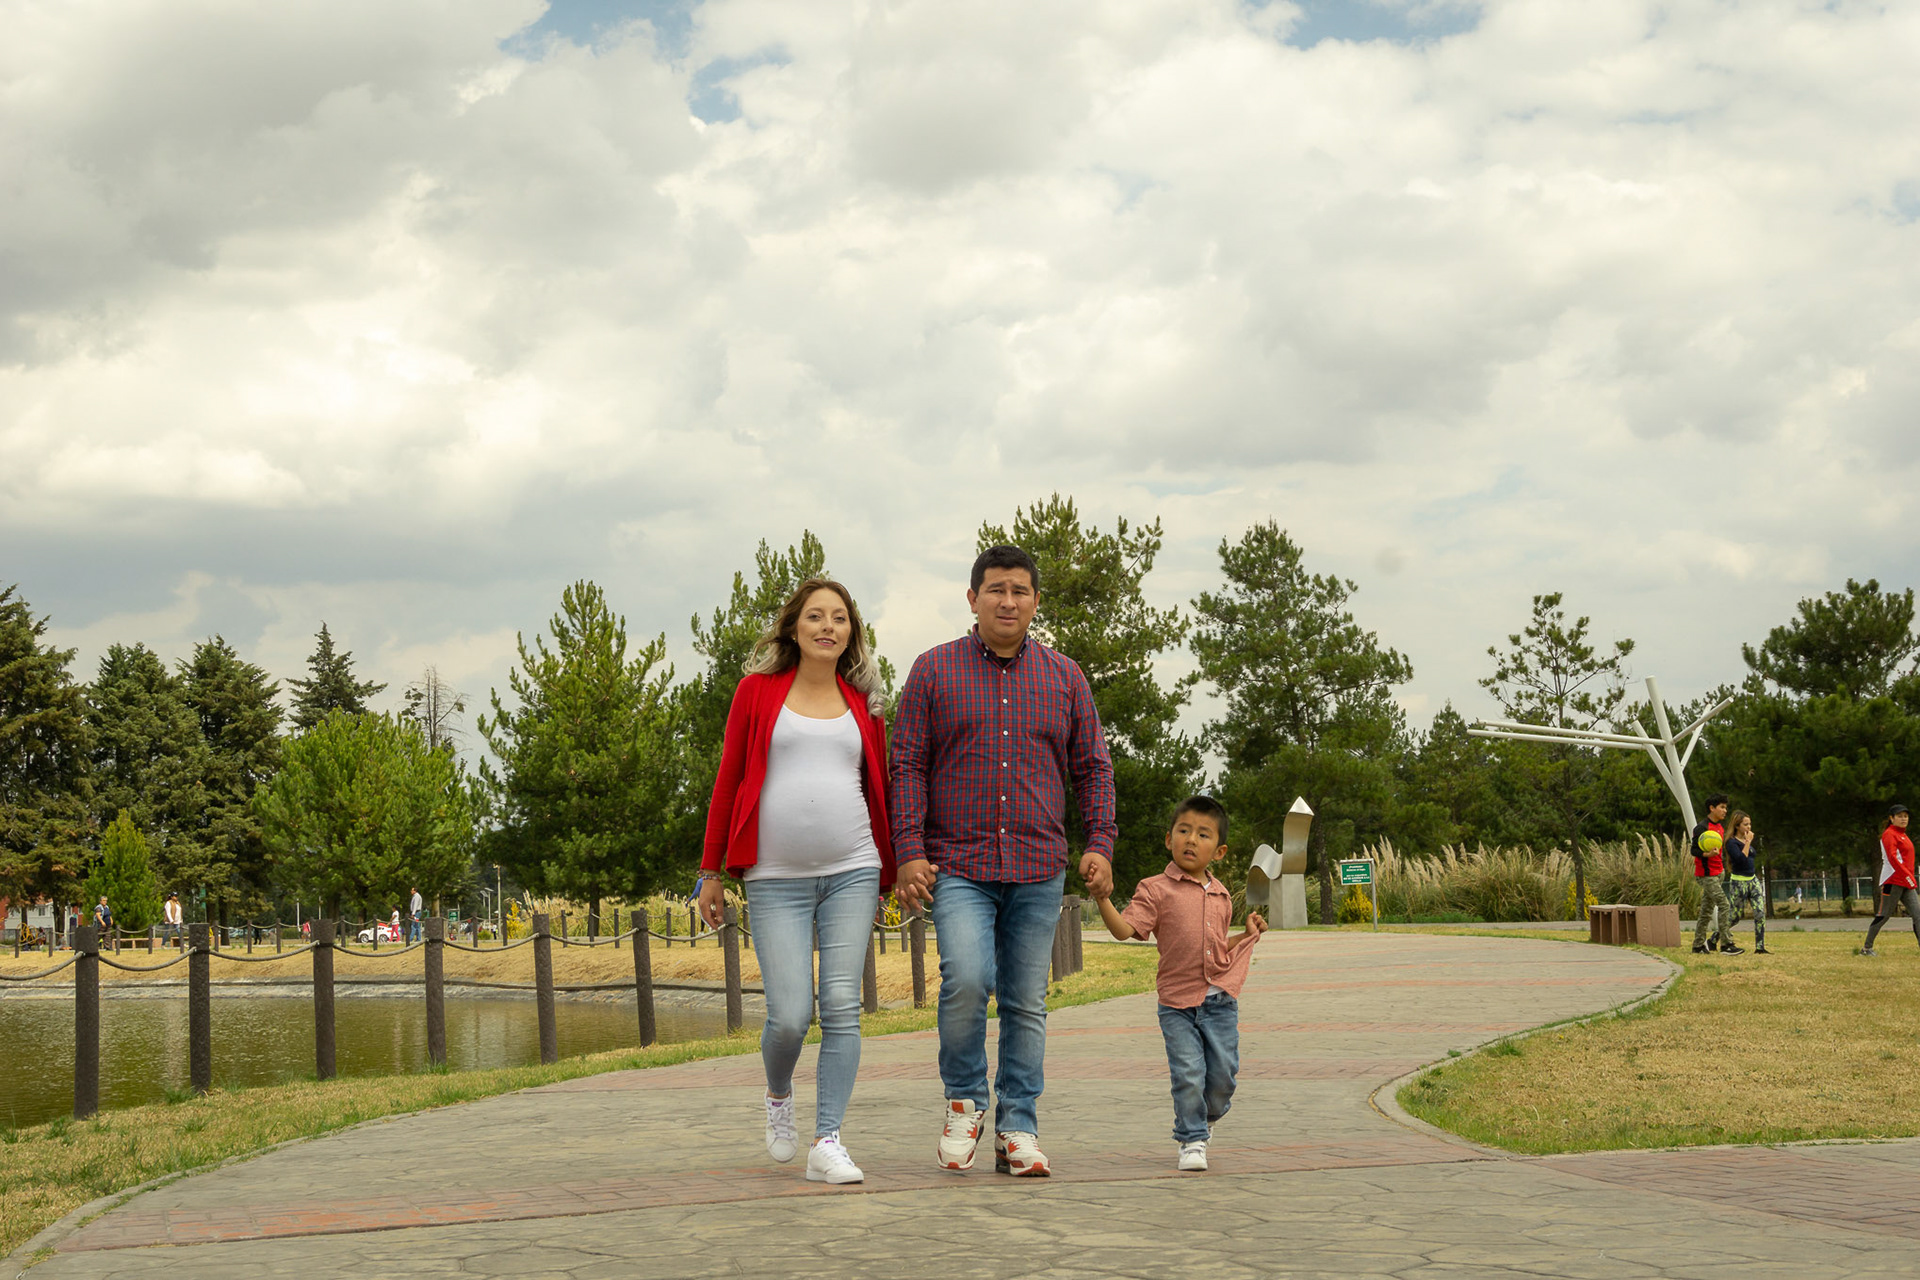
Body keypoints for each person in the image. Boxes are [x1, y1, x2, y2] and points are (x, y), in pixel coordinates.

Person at [892, 545, 1117, 1178]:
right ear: (972, 598)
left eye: (1020, 591)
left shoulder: (1065, 677)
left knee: (1025, 1001)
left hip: (1037, 864)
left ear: (1036, 601)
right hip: (957, 862)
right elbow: (905, 764)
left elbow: (1093, 768)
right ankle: (964, 1100)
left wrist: (1099, 843)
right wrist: (909, 851)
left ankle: (1018, 1125)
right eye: (995, 590)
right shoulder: (933, 672)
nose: (1008, 601)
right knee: (965, 978)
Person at [699, 576, 893, 1186]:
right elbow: (729, 780)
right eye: (815, 616)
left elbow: (881, 787)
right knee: (789, 1015)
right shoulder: (756, 694)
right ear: (794, 627)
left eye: (839, 618)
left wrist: (895, 863)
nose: (827, 626)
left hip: (852, 869)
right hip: (774, 876)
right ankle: (779, 1093)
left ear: (851, 634)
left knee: (841, 1007)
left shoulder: (865, 704)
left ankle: (828, 1140)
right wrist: (710, 871)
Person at [1093, 796, 1266, 1171]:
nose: (1191, 840)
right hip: (1177, 1006)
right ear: (1168, 839)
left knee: (1222, 1080)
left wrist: (1245, 934)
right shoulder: (1154, 889)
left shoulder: (1221, 895)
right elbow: (1125, 930)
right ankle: (1191, 1140)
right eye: (1183, 831)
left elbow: (1217, 949)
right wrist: (1103, 899)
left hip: (1220, 1003)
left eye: (1203, 835)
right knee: (1188, 1073)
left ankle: (1204, 1119)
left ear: (1218, 851)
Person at [1863, 804, 1918, 956]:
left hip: (1906, 881)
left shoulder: (1903, 835)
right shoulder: (1889, 834)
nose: (1903, 819)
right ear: (1891, 818)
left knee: (1918, 915)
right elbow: (1893, 858)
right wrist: (1908, 877)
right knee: (1883, 915)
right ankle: (1866, 948)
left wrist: (1909, 878)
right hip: (1892, 881)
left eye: (1905, 816)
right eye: (1899, 816)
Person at [1690, 794, 1741, 954]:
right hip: (1706, 875)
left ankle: (1698, 946)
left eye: (1726, 807)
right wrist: (1706, 855)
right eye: (1722, 807)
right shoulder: (1701, 828)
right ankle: (1726, 944)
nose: (1725, 810)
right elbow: (1694, 850)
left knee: (1706, 911)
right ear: (1712, 808)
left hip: (1718, 873)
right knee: (1725, 905)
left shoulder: (1720, 827)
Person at [1723, 811, 1769, 955]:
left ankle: (1760, 947)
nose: (1749, 827)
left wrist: (1747, 841)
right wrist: (1748, 842)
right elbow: (1741, 859)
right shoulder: (1731, 842)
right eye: (1745, 824)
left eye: (1750, 824)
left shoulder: (1745, 841)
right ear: (1737, 826)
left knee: (1760, 913)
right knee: (1735, 917)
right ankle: (1716, 938)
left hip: (1752, 880)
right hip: (1738, 882)